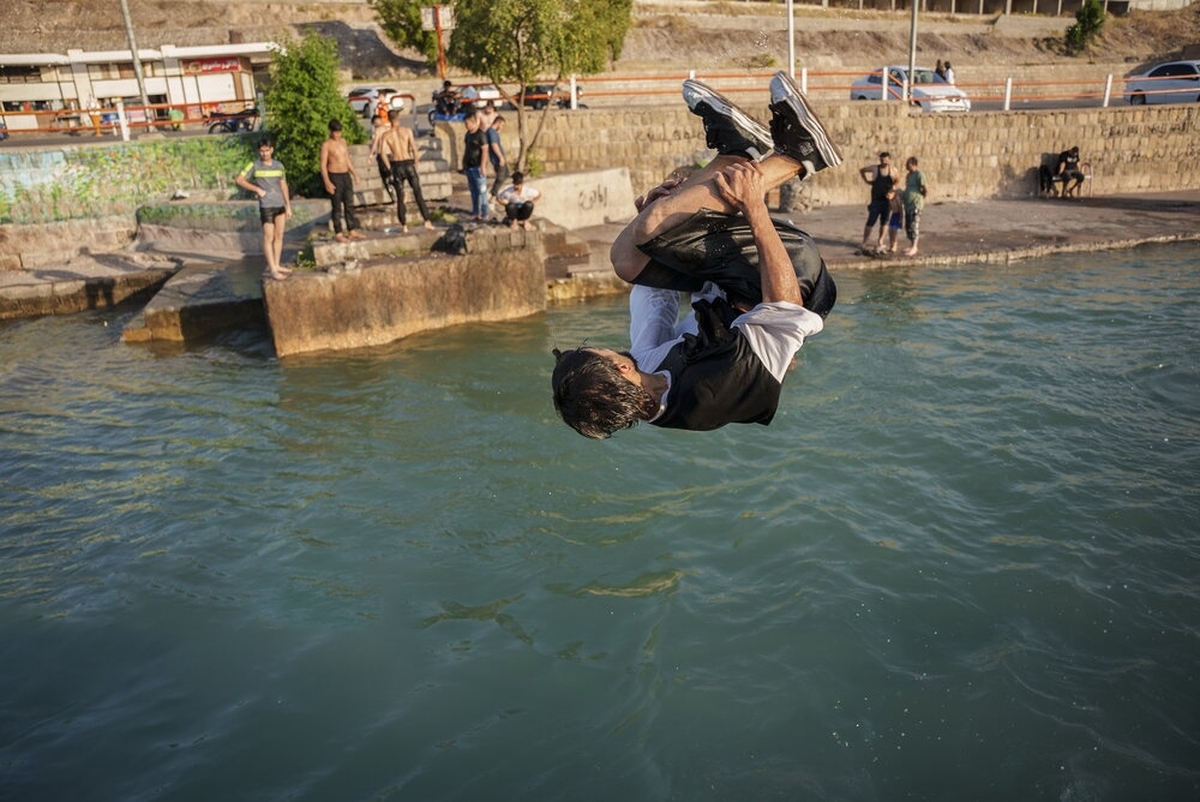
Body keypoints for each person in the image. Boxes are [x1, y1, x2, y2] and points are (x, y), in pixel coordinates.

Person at [551, 72, 840, 438]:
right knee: (655, 224)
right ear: (620, 371)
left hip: (730, 284)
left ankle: (739, 149)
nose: (610, 349)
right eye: (602, 352)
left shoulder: (644, 369)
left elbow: (652, 291)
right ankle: (798, 156)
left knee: (628, 256)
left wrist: (657, 215)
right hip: (793, 277)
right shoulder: (716, 388)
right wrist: (754, 208)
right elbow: (788, 307)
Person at [235, 135, 293, 281]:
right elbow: (239, 180)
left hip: (279, 205)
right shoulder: (254, 165)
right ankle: (272, 269)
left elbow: (283, 185)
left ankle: (277, 264)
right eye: (261, 151)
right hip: (266, 206)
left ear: (272, 150)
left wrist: (288, 206)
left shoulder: (279, 166)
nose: (264, 154)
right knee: (269, 236)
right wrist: (256, 189)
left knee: (279, 236)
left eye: (266, 151)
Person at [379, 109, 435, 233]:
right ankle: (427, 221)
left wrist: (389, 167)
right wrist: (416, 161)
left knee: (400, 196)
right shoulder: (407, 131)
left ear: (388, 120)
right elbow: (414, 148)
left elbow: (382, 154)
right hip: (408, 163)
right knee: (418, 193)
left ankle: (404, 225)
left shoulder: (386, 135)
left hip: (396, 164)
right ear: (399, 118)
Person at [319, 118, 365, 242]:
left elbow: (347, 159)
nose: (337, 135)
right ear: (330, 131)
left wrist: (355, 174)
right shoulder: (326, 145)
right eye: (335, 132)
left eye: (339, 132)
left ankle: (352, 230)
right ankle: (338, 232)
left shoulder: (343, 142)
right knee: (337, 206)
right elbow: (323, 165)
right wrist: (327, 182)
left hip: (345, 175)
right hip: (334, 176)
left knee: (349, 204)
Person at [859, 151, 897, 254]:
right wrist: (867, 181)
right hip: (876, 200)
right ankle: (865, 241)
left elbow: (897, 180)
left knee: (884, 222)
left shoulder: (893, 170)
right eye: (882, 160)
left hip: (887, 201)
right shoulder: (875, 168)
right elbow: (862, 170)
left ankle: (880, 241)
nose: (883, 162)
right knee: (870, 221)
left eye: (885, 160)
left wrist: (892, 191)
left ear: (889, 160)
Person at [462, 110, 489, 221]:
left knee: (481, 191)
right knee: (473, 191)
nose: (466, 126)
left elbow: (485, 151)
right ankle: (475, 211)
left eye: (467, 123)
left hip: (478, 167)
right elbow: (467, 149)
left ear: (473, 123)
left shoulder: (480, 135)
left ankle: (485, 213)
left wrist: (483, 166)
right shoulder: (468, 135)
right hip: (469, 166)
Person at [901, 156, 927, 257]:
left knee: (914, 224)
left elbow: (924, 188)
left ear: (914, 164)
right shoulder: (908, 176)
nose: (906, 166)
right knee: (908, 225)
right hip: (908, 204)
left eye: (908, 164)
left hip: (916, 203)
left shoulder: (919, 174)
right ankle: (911, 244)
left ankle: (915, 247)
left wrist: (921, 198)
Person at [368, 110, 394, 201]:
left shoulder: (378, 130)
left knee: (386, 179)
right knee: (392, 175)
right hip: (391, 154)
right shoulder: (388, 128)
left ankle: (393, 198)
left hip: (382, 155)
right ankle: (398, 195)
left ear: (374, 123)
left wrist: (370, 155)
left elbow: (375, 143)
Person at [486, 114, 509, 201]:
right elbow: (494, 145)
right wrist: (500, 157)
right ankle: (493, 195)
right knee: (500, 177)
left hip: (499, 159)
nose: (502, 127)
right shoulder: (491, 132)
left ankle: (494, 192)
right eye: (502, 125)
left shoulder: (493, 132)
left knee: (506, 174)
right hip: (497, 159)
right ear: (498, 122)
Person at [885, 175, 904, 254]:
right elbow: (889, 209)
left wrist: (901, 219)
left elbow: (901, 209)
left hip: (898, 215)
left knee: (894, 230)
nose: (887, 197)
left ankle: (895, 245)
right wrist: (887, 217)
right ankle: (891, 243)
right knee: (890, 229)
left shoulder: (897, 199)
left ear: (892, 194)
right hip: (893, 214)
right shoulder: (889, 200)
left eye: (888, 195)